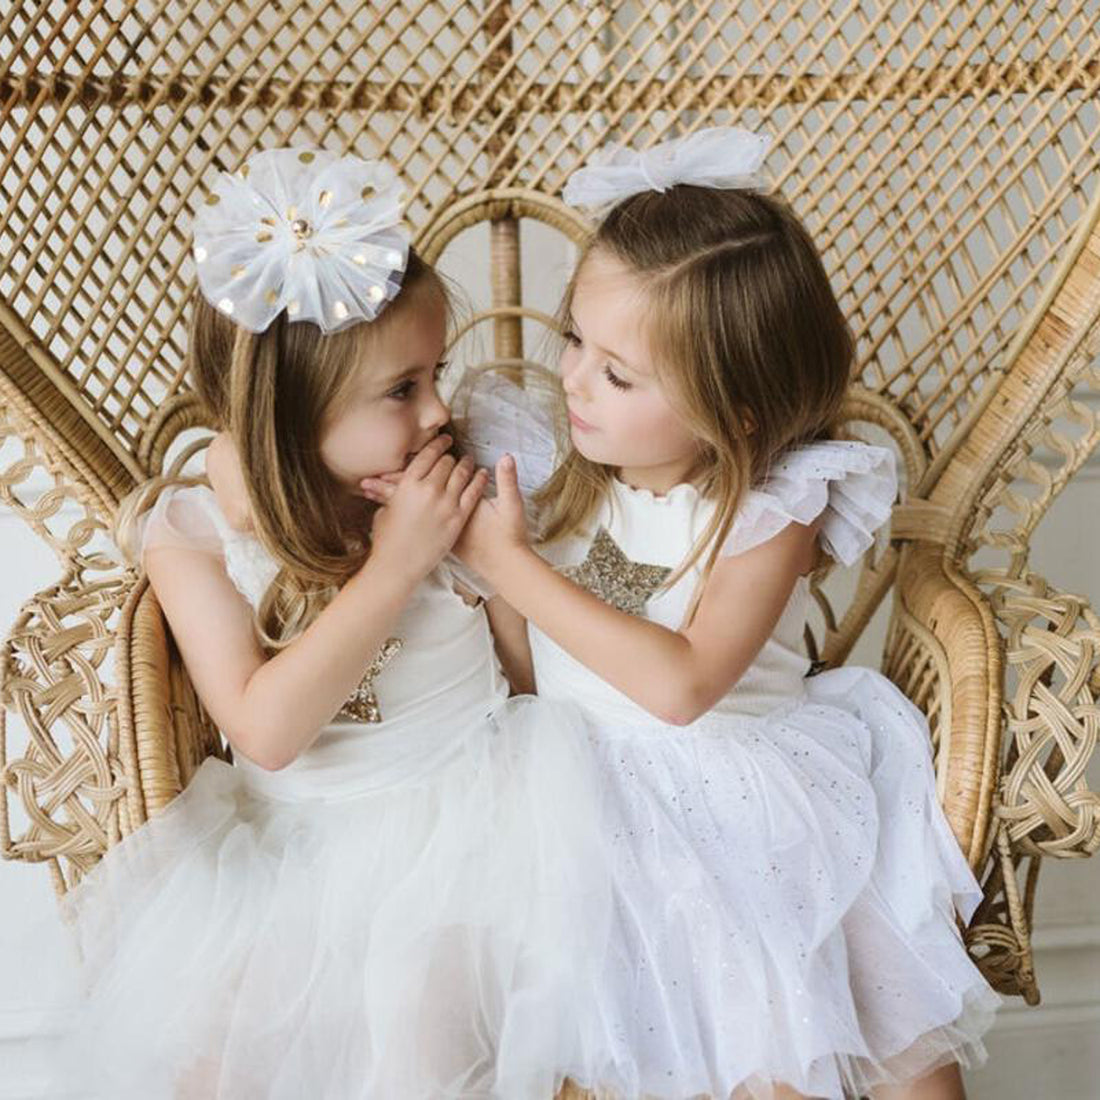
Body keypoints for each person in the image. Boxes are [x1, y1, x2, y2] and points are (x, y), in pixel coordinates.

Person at [368, 127, 1002, 1100]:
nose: (573, 377)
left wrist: (511, 565)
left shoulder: (768, 508)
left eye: (617, 374)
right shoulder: (557, 472)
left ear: (734, 408)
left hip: (745, 784)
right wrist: (481, 580)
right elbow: (541, 675)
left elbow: (680, 683)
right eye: (575, 336)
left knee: (833, 1008)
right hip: (579, 781)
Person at [52, 146, 610, 1100]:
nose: (440, 409)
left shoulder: (450, 479)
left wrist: (490, 566)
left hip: (482, 814)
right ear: (286, 417)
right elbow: (265, 732)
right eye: (402, 390)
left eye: (437, 372)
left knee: (429, 1036)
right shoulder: (193, 533)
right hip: (294, 849)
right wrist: (395, 565)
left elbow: (527, 682)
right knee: (216, 1051)